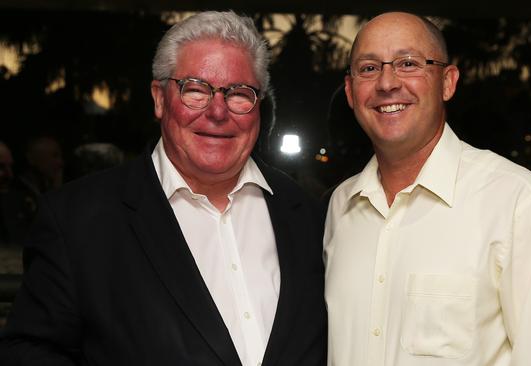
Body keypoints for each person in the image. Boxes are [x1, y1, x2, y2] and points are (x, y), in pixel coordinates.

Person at [0, 11, 326, 366]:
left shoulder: (305, 212)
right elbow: (28, 353)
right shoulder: (77, 220)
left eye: (239, 94)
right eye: (196, 89)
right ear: (159, 98)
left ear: (258, 106)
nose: (217, 112)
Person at [324, 12, 531, 366]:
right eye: (369, 68)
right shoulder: (340, 207)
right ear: (351, 92)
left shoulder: (516, 201)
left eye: (408, 63)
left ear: (447, 82)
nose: (387, 83)